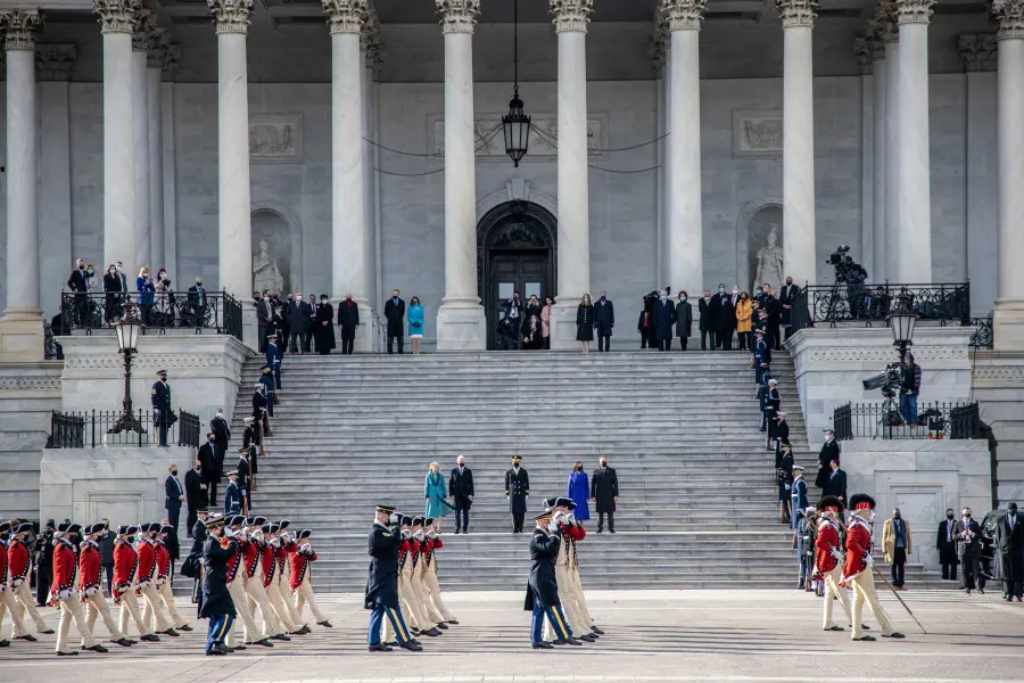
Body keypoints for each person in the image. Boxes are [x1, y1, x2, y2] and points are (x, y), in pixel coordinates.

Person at [839, 494, 904, 641]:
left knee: (858, 600)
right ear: (862, 510)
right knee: (872, 598)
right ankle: (887, 628)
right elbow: (850, 543)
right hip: (860, 567)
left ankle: (856, 632)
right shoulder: (857, 525)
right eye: (868, 510)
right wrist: (864, 555)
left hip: (860, 565)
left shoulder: (860, 524)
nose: (870, 513)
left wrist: (866, 555)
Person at [366, 506, 421, 652]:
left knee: (378, 610)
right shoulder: (378, 531)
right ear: (382, 515)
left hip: (383, 576)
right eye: (388, 515)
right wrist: (396, 526)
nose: (390, 519)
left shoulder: (382, 531)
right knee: (393, 608)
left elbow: (395, 542)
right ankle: (404, 639)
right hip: (384, 578)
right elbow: (394, 540)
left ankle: (374, 642)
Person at [525, 510, 579, 649]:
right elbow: (549, 548)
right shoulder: (538, 536)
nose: (549, 522)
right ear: (540, 521)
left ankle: (536, 640)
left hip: (541, 575)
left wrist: (556, 533)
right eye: (547, 520)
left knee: (540, 610)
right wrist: (555, 533)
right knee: (554, 607)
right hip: (542, 577)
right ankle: (565, 636)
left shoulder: (543, 535)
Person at [51, 523, 105, 655]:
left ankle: (61, 646)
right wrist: (62, 588)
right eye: (72, 533)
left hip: (68, 588)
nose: (75, 535)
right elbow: (59, 570)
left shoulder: (66, 547)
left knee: (66, 618)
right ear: (66, 534)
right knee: (79, 616)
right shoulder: (62, 548)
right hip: (65, 589)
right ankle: (89, 642)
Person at [78, 523, 134, 648]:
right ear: (92, 534)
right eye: (99, 532)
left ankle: (86, 641)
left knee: (91, 615)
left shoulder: (93, 548)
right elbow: (84, 570)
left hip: (94, 586)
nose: (101, 534)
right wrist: (87, 586)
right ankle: (116, 635)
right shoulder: (87, 549)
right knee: (105, 611)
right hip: (91, 587)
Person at [814, 496, 852, 631]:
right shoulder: (827, 525)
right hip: (831, 562)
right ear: (829, 510)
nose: (836, 513)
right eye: (834, 510)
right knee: (842, 592)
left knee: (829, 595)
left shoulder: (831, 523)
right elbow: (819, 543)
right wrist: (833, 551)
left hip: (832, 561)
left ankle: (827, 622)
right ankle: (854, 620)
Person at [7, 521, 51, 639]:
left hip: (23, 578)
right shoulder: (15, 545)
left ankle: (17, 632)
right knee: (30, 604)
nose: (26, 534)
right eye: (24, 532)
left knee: (20, 607)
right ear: (19, 533)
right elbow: (12, 564)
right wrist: (16, 578)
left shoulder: (20, 544)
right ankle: (41, 626)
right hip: (19, 579)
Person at [200, 513, 236, 656]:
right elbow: (225, 555)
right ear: (215, 528)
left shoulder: (213, 541)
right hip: (215, 583)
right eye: (220, 526)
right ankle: (217, 640)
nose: (222, 529)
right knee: (228, 613)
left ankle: (212, 646)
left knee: (216, 615)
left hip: (215, 581)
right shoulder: (211, 542)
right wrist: (232, 541)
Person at [997, 502, 1023, 601]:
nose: (1012, 511)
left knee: (1018, 572)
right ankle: (1009, 593)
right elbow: (998, 535)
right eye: (1010, 510)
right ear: (1008, 510)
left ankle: (1019, 594)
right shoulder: (1001, 520)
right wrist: (1001, 546)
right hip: (1005, 550)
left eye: (1014, 510)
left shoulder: (1021, 518)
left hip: (1018, 549)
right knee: (1007, 573)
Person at [882, 508, 911, 589]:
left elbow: (909, 536)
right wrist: (884, 549)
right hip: (892, 548)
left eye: (897, 513)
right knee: (893, 566)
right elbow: (884, 536)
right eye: (895, 513)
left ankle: (901, 583)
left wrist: (909, 549)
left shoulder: (905, 523)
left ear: (900, 513)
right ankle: (894, 583)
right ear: (892, 514)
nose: (896, 514)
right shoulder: (887, 522)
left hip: (901, 548)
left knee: (901, 566)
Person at [955, 507, 982, 593]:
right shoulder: (958, 523)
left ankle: (978, 587)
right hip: (963, 548)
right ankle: (967, 586)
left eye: (968, 513)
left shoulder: (975, 523)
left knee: (975, 568)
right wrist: (961, 534)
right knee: (964, 569)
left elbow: (980, 535)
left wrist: (973, 534)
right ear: (962, 514)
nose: (967, 515)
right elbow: (953, 536)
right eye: (965, 513)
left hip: (973, 549)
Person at [590, 456, 619, 533]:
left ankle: (611, 528)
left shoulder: (612, 471)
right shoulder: (596, 471)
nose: (603, 462)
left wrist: (616, 495)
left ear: (607, 461)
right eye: (602, 461)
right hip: (600, 495)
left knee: (610, 514)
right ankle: (600, 528)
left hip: (610, 495)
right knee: (600, 514)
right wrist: (593, 495)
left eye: (604, 461)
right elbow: (593, 484)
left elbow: (615, 483)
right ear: (599, 462)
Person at [448, 455, 474, 534]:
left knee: (465, 513)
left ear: (464, 462)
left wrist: (471, 494)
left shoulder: (468, 471)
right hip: (457, 495)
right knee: (457, 513)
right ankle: (457, 528)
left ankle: (465, 529)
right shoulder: (453, 471)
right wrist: (451, 493)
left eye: (462, 460)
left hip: (466, 495)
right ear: (457, 462)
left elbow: (471, 483)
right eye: (460, 460)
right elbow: (450, 482)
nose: (461, 462)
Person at [505, 455, 530, 533]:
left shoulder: (524, 471)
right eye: (514, 461)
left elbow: (526, 483)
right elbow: (506, 483)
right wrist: (507, 494)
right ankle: (515, 528)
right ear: (512, 462)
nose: (515, 462)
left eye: (517, 461)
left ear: (520, 462)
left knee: (521, 513)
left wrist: (526, 493)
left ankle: (521, 528)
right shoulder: (509, 472)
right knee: (514, 512)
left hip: (521, 494)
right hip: (513, 495)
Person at [186, 456, 209, 536]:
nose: (199, 466)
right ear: (194, 465)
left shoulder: (201, 474)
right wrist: (200, 487)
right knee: (192, 516)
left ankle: (201, 531)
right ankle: (190, 532)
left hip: (201, 500)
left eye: (200, 465)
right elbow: (189, 486)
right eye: (197, 465)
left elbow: (205, 485)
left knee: (202, 516)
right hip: (193, 500)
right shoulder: (189, 474)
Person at [152, 369, 173, 447]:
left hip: (166, 409)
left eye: (165, 375)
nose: (164, 376)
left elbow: (168, 398)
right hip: (159, 408)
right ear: (159, 376)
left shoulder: (167, 386)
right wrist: (155, 407)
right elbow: (153, 396)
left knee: (165, 425)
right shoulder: (156, 385)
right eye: (162, 375)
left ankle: (164, 442)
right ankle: (159, 442)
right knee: (159, 425)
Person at [936, 508, 959, 581]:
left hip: (954, 545)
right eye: (949, 513)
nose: (950, 514)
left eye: (951, 513)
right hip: (945, 545)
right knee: (944, 562)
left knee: (954, 563)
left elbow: (960, 534)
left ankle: (953, 577)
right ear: (946, 514)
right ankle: (945, 577)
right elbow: (939, 535)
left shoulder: (957, 523)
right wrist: (939, 546)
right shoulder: (942, 524)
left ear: (953, 514)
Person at [900, 353, 922, 424]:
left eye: (906, 358)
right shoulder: (903, 368)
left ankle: (913, 422)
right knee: (903, 407)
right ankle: (906, 422)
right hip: (903, 390)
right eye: (905, 359)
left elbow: (917, 381)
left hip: (912, 390)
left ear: (910, 359)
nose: (905, 360)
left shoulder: (916, 367)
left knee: (913, 406)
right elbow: (900, 379)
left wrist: (913, 390)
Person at [164, 464, 185, 537]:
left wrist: (182, 495)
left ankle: (175, 537)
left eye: (176, 468)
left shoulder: (176, 479)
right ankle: (172, 537)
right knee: (172, 522)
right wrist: (178, 497)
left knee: (176, 523)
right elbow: (169, 493)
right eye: (173, 469)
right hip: (172, 505)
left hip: (177, 505)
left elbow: (179, 490)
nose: (175, 470)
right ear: (170, 470)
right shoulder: (169, 480)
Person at [652, 287, 675, 351]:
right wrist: (655, 324)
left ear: (667, 295)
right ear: (660, 295)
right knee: (660, 339)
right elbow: (654, 314)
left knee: (668, 339)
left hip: (667, 324)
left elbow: (673, 313)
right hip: (659, 324)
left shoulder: (670, 303)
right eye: (662, 294)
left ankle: (668, 351)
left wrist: (671, 322)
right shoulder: (656, 303)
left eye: (665, 294)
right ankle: (660, 352)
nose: (663, 296)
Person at [776, 443, 794, 525]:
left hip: (786, 481)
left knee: (788, 501)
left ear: (788, 448)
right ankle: (786, 517)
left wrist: (787, 481)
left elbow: (789, 471)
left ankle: (791, 517)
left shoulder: (789, 457)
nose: (782, 448)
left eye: (784, 446)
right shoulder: (784, 456)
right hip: (783, 482)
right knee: (784, 500)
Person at [385, 289, 406, 354]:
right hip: (391, 323)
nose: (395, 294)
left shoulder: (402, 302)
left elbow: (403, 312)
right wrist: (390, 318)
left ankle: (400, 350)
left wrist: (399, 317)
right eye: (394, 293)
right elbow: (386, 312)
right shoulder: (388, 302)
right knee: (390, 337)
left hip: (399, 322)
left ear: (398, 294)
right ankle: (390, 351)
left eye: (396, 293)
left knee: (400, 337)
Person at [790, 464, 808, 531]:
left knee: (799, 527)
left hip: (798, 506)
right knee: (796, 527)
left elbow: (801, 496)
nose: (793, 472)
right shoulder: (797, 481)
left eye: (795, 470)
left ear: (799, 472)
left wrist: (800, 508)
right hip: (796, 505)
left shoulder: (800, 482)